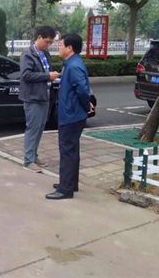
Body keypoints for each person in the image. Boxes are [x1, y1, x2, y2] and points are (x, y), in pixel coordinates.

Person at [46, 34, 94, 200]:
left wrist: (86, 105)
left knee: (67, 151)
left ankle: (65, 189)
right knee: (72, 150)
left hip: (71, 115)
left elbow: (82, 89)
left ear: (69, 48)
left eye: (60, 45)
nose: (58, 47)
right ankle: (70, 183)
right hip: (72, 113)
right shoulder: (72, 63)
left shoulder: (73, 66)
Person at [19, 26, 62, 173]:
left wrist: (51, 76)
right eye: (47, 41)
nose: (48, 45)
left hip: (44, 96)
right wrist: (47, 76)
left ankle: (34, 156)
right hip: (32, 98)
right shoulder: (28, 54)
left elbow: (45, 71)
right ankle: (28, 161)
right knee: (33, 128)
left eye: (50, 43)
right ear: (39, 38)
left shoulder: (46, 54)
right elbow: (26, 75)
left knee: (40, 128)